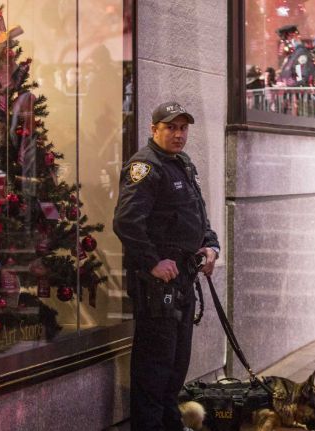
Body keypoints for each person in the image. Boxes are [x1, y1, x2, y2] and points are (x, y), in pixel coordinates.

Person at [113, 101, 219, 431]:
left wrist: (210, 245)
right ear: (153, 129)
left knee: (175, 367)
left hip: (183, 280)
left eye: (183, 128)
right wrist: (152, 262)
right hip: (157, 287)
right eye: (170, 127)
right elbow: (126, 222)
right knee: (154, 370)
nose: (178, 134)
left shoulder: (182, 164)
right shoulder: (145, 166)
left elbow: (196, 214)